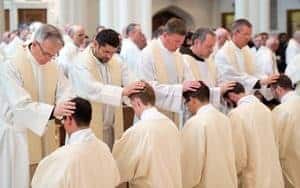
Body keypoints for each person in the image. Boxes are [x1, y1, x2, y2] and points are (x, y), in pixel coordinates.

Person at [0, 24, 75, 188]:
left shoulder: (52, 65)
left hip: (45, 135)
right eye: (47, 53)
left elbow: (66, 89)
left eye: (54, 55)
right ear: (34, 44)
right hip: (18, 137)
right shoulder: (11, 65)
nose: (49, 58)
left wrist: (64, 102)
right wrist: (53, 110)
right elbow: (20, 105)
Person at [70, 29, 144, 149]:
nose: (109, 56)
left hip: (112, 127)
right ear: (95, 44)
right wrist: (122, 91)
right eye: (106, 51)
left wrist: (140, 89)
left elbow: (131, 80)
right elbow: (91, 88)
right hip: (89, 127)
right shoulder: (80, 62)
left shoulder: (117, 61)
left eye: (112, 53)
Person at [31, 97, 120, 188]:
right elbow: (116, 179)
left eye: (63, 120)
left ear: (69, 119)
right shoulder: (104, 148)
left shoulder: (61, 158)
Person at [112, 82, 182, 188]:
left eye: (133, 106)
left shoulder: (138, 131)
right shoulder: (172, 126)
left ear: (138, 103)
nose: (134, 111)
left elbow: (117, 170)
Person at [138, 18, 199, 126]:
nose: (179, 46)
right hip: (154, 116)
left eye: (181, 42)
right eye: (176, 41)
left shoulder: (178, 56)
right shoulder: (148, 53)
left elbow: (189, 80)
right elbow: (147, 87)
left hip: (174, 115)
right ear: (165, 35)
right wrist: (180, 88)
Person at [224, 83, 284, 188]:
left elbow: (239, 153)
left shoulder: (236, 114)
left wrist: (233, 176)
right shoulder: (266, 110)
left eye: (228, 102)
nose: (229, 105)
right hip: (274, 174)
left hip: (253, 177)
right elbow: (276, 141)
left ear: (231, 96)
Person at [181, 81, 237, 188]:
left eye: (185, 103)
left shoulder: (194, 123)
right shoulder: (224, 119)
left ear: (192, 100)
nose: (187, 107)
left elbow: (191, 164)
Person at [214, 19, 278, 94]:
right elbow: (234, 76)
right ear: (236, 33)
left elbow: (254, 71)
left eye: (250, 34)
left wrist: (268, 79)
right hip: (233, 95)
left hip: (249, 93)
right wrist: (260, 82)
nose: (249, 38)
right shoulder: (224, 53)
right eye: (246, 34)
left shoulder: (246, 49)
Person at [182, 28, 235, 109]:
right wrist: (218, 91)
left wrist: (226, 90)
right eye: (209, 46)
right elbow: (193, 91)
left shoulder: (210, 61)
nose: (212, 50)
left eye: (213, 46)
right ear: (197, 43)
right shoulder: (185, 60)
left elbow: (219, 79)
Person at [271, 75, 300, 187]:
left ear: (278, 89)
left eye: (272, 91)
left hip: (291, 161)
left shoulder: (280, 110)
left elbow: (274, 140)